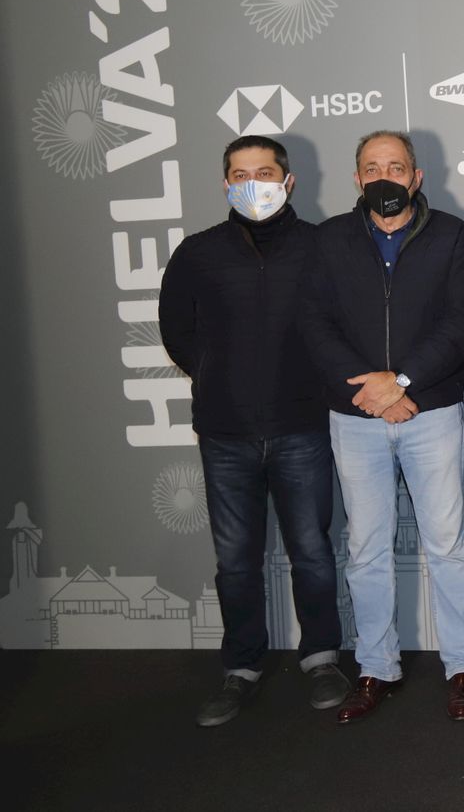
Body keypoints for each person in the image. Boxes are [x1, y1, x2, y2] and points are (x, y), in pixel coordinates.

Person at [159, 135, 348, 727]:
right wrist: (219, 377)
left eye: (264, 172)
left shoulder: (323, 247)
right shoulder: (197, 253)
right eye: (240, 174)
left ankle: (321, 657)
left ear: (287, 181)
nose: (253, 183)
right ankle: (241, 668)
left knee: (313, 553)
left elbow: (344, 327)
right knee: (236, 561)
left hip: (303, 427)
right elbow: (177, 332)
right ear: (224, 184)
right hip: (225, 431)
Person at [300, 130, 464, 723]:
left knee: (448, 545)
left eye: (397, 166)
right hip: (355, 415)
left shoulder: (453, 235)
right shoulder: (328, 239)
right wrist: (374, 390)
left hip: (429, 411)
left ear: (416, 177)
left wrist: (401, 383)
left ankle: (463, 666)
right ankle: (376, 667)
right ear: (356, 178)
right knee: (365, 549)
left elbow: (461, 325)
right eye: (372, 166)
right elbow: (313, 323)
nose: (385, 176)